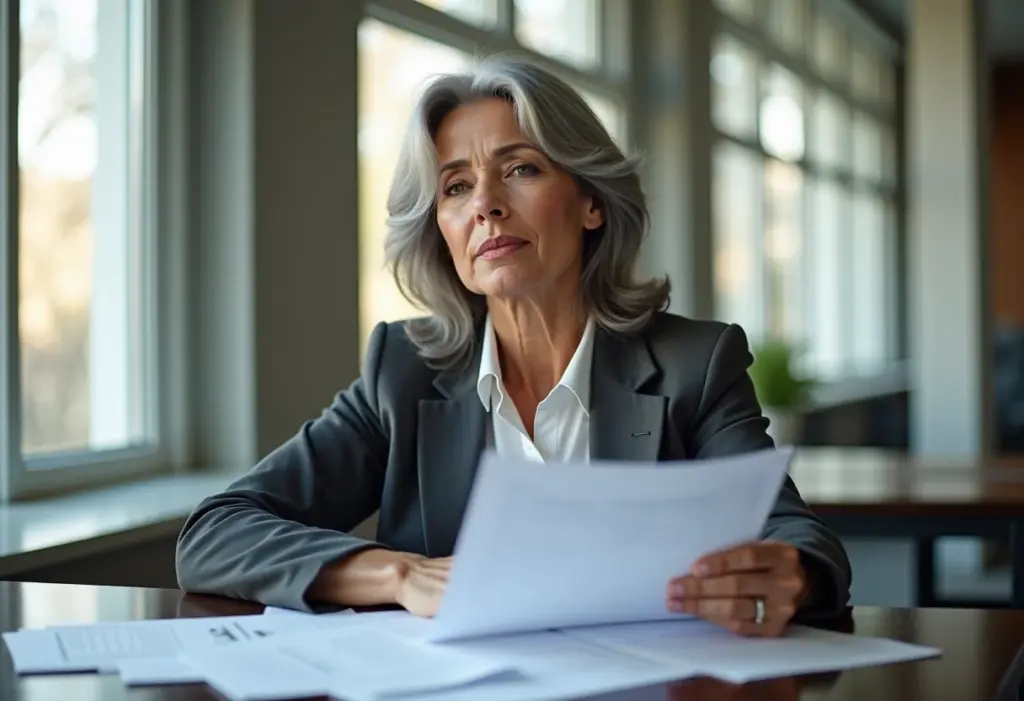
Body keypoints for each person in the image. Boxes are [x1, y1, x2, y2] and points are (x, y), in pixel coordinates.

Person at [175, 55, 851, 638]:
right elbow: (216, 532)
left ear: (591, 202)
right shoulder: (402, 374)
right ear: (441, 227)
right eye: (457, 186)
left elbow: (801, 539)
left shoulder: (694, 366)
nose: (486, 206)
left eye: (520, 168)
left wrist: (791, 574)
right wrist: (401, 572)